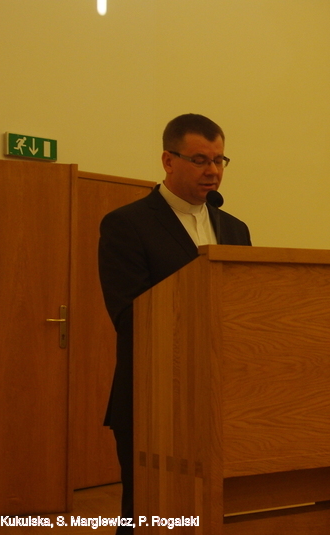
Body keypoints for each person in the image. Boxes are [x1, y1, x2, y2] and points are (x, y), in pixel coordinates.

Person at [98, 114, 252, 532]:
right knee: (148, 510)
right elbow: (129, 314)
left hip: (219, 397)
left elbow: (244, 308)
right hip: (155, 395)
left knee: (210, 507)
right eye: (200, 160)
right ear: (168, 160)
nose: (213, 171)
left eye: (219, 160)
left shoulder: (235, 229)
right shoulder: (127, 224)